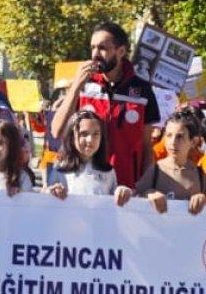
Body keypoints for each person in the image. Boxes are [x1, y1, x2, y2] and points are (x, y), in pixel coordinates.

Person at [47, 21, 160, 188]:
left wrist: (146, 186)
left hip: (127, 188)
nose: (95, 54)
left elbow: (146, 147)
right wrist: (76, 86)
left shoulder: (142, 90)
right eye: (92, 47)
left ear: (121, 51)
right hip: (89, 184)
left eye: (102, 48)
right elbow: (56, 131)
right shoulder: (83, 85)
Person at [131, 110, 206, 213]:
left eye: (180, 137)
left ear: (193, 142)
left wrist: (202, 198)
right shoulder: (156, 171)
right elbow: (136, 197)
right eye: (169, 135)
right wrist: (150, 193)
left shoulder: (199, 175)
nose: (172, 142)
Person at [47, 107, 131, 201]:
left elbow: (115, 202)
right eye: (84, 134)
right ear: (72, 137)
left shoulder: (108, 171)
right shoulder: (61, 170)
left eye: (95, 134)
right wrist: (52, 192)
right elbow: (46, 201)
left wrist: (122, 192)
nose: (90, 140)